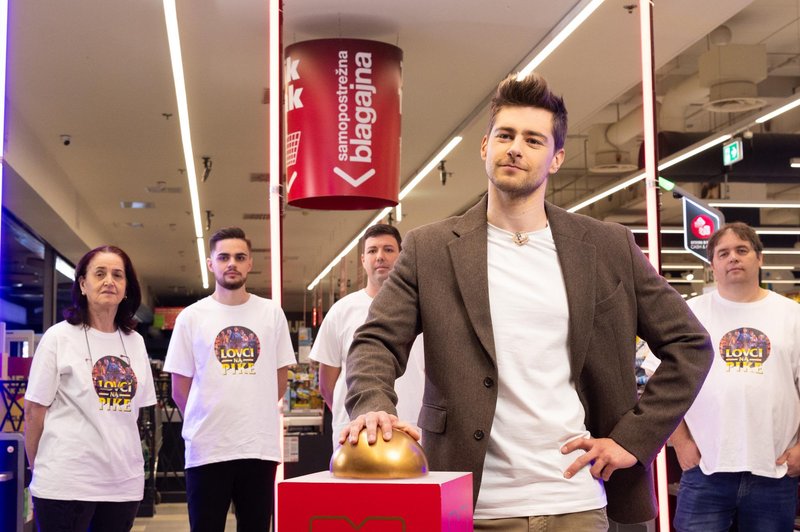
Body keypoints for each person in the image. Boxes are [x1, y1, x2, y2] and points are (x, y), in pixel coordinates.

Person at [342, 72, 713, 530]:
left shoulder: (605, 247)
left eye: (533, 140)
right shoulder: (431, 249)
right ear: (485, 147)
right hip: (469, 501)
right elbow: (376, 340)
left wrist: (632, 440)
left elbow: (690, 344)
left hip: (574, 498)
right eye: (506, 135)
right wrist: (373, 402)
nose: (515, 147)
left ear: (556, 159)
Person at [643, 222, 800, 532]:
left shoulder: (792, 316)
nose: (733, 258)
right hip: (705, 469)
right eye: (723, 253)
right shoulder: (687, 315)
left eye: (742, 250)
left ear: (759, 258)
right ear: (712, 264)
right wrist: (681, 442)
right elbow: (661, 385)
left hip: (775, 470)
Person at [163, 227, 295, 532]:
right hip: (207, 449)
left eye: (239, 257)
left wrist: (251, 408)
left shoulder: (270, 313)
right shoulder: (191, 317)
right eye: (223, 257)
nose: (231, 263)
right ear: (211, 264)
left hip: (259, 448)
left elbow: (280, 380)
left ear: (250, 263)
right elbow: (179, 389)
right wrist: (207, 417)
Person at [24, 245, 157, 532]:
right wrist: (40, 470)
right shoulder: (58, 337)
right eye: (100, 273)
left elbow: (131, 414)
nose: (109, 280)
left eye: (117, 275)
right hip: (65, 482)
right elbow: (34, 412)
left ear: (126, 289)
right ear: (83, 284)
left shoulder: (134, 341)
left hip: (122, 484)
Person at [309, 223, 425, 450]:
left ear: (402, 256)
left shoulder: (423, 310)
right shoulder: (341, 311)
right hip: (356, 431)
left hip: (413, 427)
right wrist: (358, 411)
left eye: (388, 250)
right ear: (363, 260)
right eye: (372, 251)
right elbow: (326, 384)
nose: (380, 257)